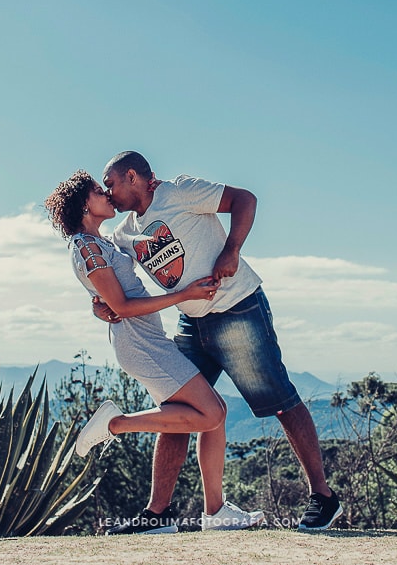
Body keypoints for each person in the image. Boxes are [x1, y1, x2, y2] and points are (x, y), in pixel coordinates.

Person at [96, 151, 343, 531]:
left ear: (132, 176)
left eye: (110, 183)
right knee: (178, 409)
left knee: (279, 399)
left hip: (238, 310)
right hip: (192, 321)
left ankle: (324, 499)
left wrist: (232, 250)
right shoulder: (123, 233)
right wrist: (103, 306)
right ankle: (157, 514)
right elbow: (107, 274)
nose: (108, 192)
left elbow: (245, 199)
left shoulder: (179, 191)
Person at [45, 170, 265, 533]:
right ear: (85, 204)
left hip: (149, 341)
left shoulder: (101, 242)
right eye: (100, 191)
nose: (108, 195)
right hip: (139, 345)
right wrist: (186, 295)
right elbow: (124, 306)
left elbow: (106, 300)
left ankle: (214, 512)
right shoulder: (85, 245)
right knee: (212, 413)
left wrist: (155, 191)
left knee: (216, 413)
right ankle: (115, 424)